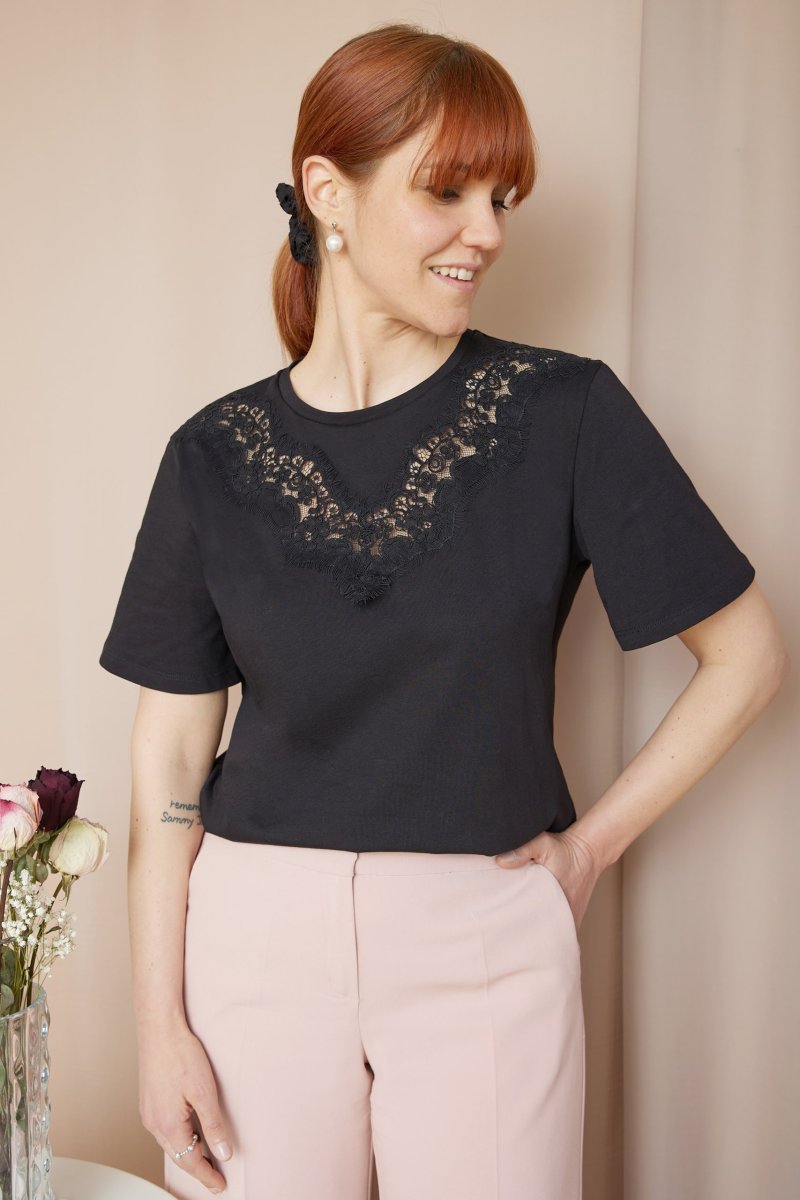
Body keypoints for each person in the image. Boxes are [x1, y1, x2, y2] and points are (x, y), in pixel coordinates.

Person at [98, 21, 789, 1200]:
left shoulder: (565, 412)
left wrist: (587, 850)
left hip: (482, 934)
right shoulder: (209, 455)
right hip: (252, 936)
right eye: (447, 191)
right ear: (328, 194)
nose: (489, 231)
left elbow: (745, 655)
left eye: (501, 198)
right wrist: (157, 1026)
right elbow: (169, 754)